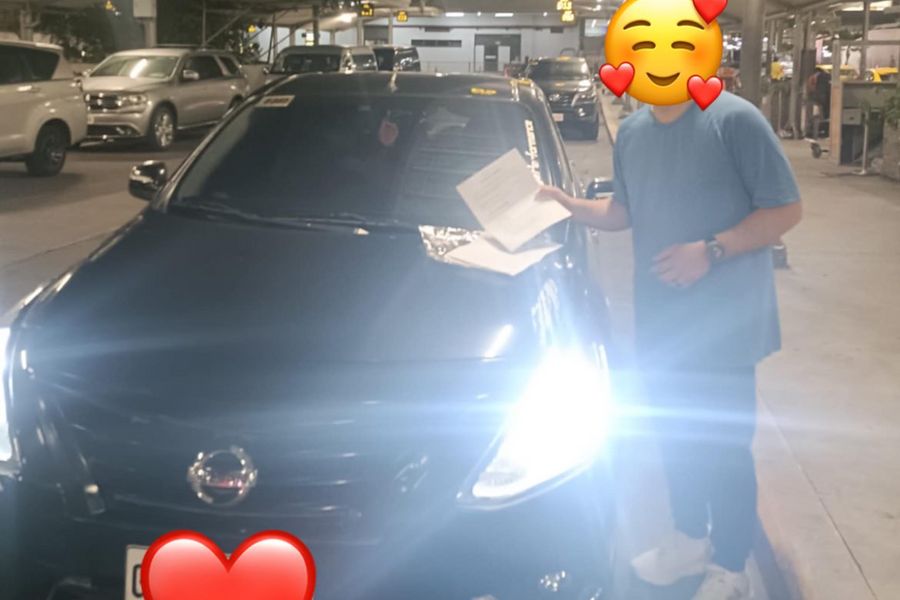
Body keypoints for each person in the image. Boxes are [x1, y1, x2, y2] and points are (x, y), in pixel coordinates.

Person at [538, 91, 802, 600]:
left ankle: (732, 567)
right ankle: (689, 538)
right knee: (675, 436)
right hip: (661, 321)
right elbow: (622, 211)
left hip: (724, 324)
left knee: (723, 448)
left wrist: (711, 250)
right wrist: (570, 207)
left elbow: (786, 208)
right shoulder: (634, 131)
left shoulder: (734, 121)